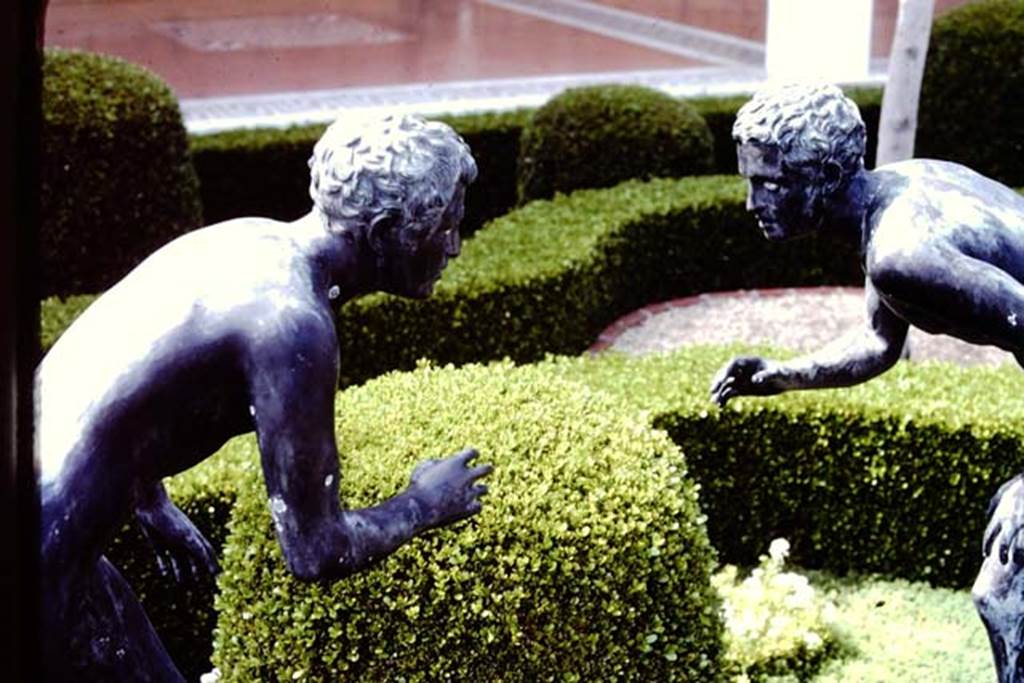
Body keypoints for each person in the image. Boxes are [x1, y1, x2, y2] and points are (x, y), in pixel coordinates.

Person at [36, 113, 492, 681]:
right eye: (445, 227)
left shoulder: (248, 238)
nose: (453, 247)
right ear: (381, 235)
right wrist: (425, 503)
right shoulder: (293, 325)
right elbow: (314, 550)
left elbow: (113, 379)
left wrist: (148, 498)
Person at [708, 83, 1024, 682]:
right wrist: (775, 376)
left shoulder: (902, 252)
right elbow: (880, 342)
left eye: (769, 184)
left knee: (1007, 593)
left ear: (823, 175)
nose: (752, 202)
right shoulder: (901, 189)